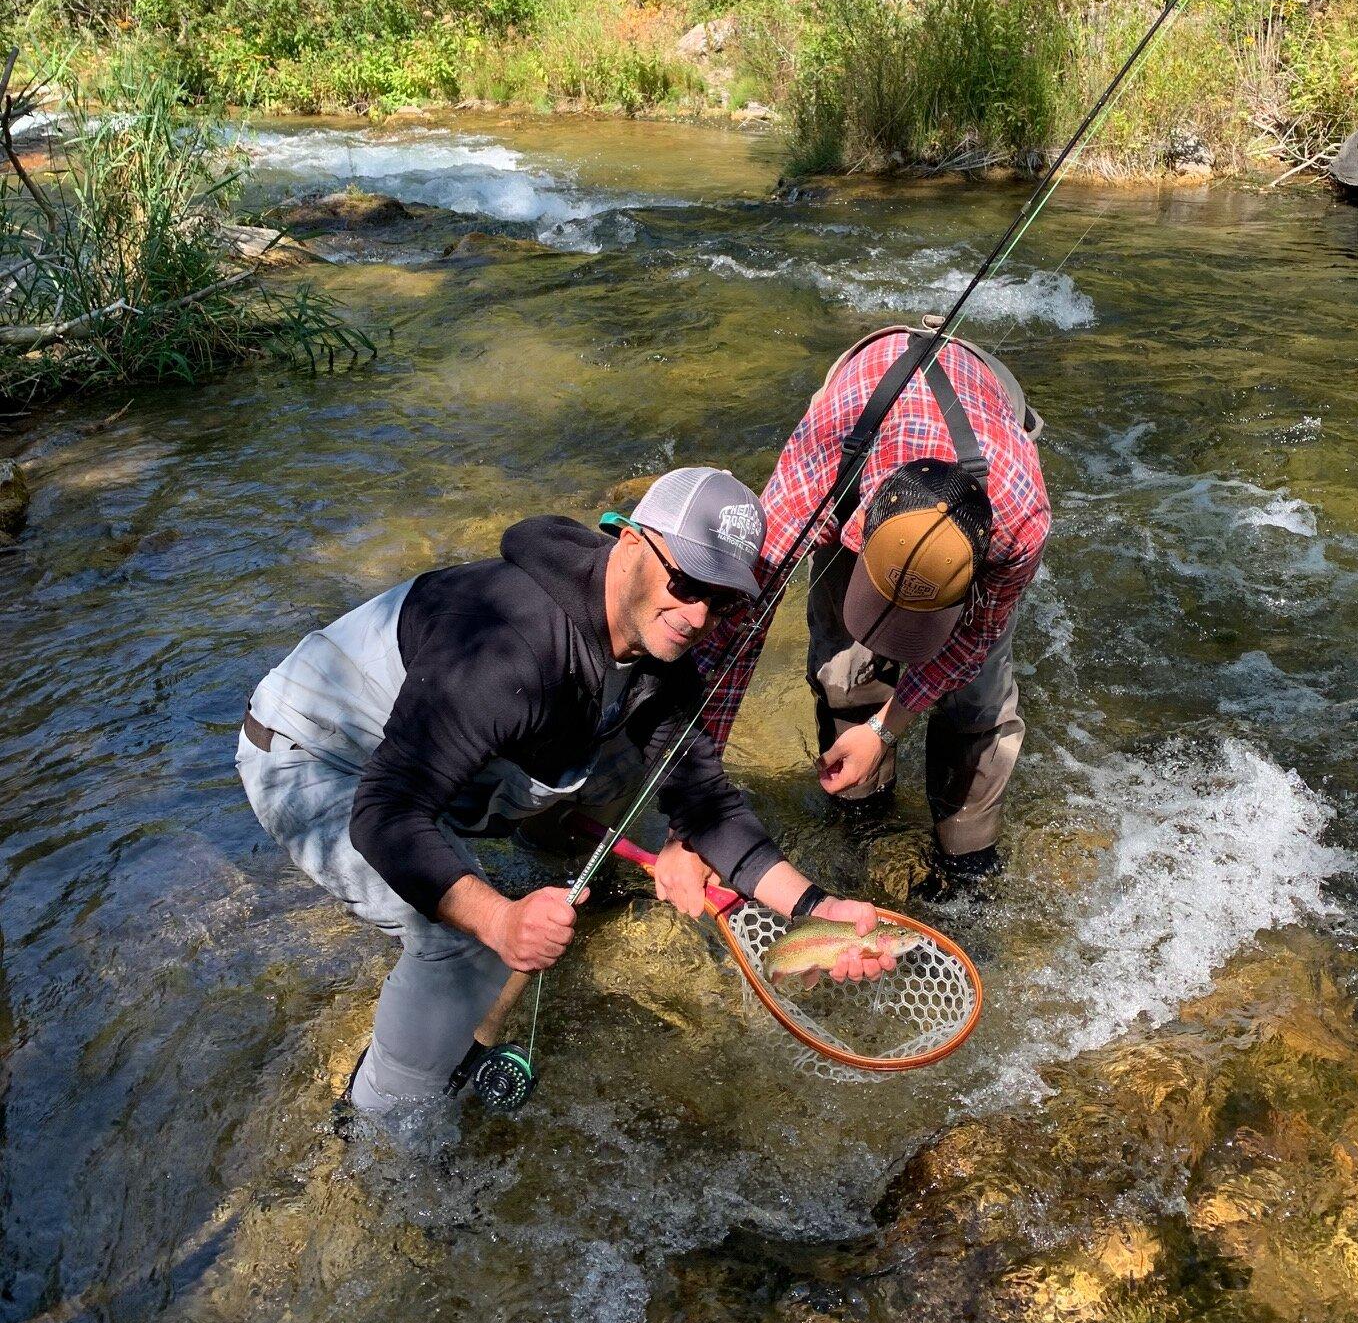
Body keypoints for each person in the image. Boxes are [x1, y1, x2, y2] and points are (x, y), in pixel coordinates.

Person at [237, 467, 887, 1115]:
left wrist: (814, 908)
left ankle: (549, 874)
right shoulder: (511, 643)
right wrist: (499, 919)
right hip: (318, 758)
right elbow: (385, 816)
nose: (697, 616)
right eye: (685, 582)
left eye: (722, 602)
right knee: (463, 943)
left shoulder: (661, 659)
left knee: (647, 811)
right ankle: (377, 1125)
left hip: (453, 757)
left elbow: (706, 805)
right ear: (630, 542)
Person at [698, 324, 1050, 893]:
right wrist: (699, 805)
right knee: (845, 670)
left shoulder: (1019, 520)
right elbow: (739, 629)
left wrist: (887, 730)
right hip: (863, 421)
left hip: (983, 408)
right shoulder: (818, 478)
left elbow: (971, 642)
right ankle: (863, 817)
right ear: (856, 535)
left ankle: (967, 860)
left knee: (979, 701)